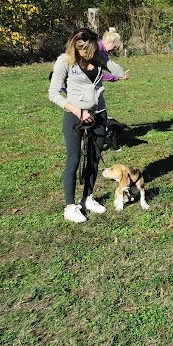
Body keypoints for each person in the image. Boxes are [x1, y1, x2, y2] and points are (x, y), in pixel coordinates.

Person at [48, 28, 126, 223]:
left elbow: (119, 72)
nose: (90, 56)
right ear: (76, 48)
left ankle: (87, 198)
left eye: (93, 51)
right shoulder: (64, 61)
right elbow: (54, 94)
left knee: (94, 157)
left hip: (98, 114)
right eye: (86, 52)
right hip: (75, 115)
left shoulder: (98, 58)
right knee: (74, 159)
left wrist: (103, 57)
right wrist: (77, 111)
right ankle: (70, 206)